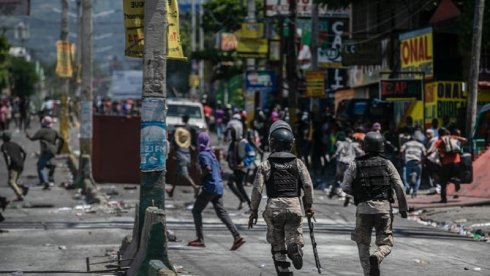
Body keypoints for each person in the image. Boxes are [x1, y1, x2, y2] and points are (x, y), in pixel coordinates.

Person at [248, 120, 314, 276]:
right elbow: (308, 186)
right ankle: (294, 246)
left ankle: (284, 270)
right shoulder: (298, 163)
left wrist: (253, 211)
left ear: (272, 143)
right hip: (294, 206)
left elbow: (257, 189)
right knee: (293, 233)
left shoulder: (266, 164)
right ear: (290, 144)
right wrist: (309, 206)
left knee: (277, 244)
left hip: (274, 207)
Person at [342, 131, 408, 276]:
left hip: (363, 209)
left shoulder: (355, 164)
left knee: (362, 243)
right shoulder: (387, 163)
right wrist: (403, 208)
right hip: (383, 208)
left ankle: (368, 271)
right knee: (386, 243)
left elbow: (345, 186)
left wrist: (360, 194)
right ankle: (377, 256)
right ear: (381, 147)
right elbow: (399, 186)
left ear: (365, 146)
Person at [187, 131, 246, 251]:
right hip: (218, 187)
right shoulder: (212, 154)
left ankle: (200, 239)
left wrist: (201, 178)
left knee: (196, 211)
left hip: (209, 187)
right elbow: (220, 171)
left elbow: (207, 169)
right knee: (222, 213)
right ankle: (237, 236)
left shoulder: (203, 154)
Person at [428, 128, 467, 203]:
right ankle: (456, 180)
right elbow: (465, 140)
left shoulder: (440, 140)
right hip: (457, 162)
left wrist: (423, 158)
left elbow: (432, 151)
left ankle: (444, 199)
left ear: (439, 134)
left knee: (443, 181)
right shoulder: (453, 137)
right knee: (453, 176)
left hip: (446, 163)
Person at [26, 116, 64, 190]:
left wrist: (28, 136)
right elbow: (62, 139)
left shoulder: (42, 131)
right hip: (53, 150)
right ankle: (49, 178)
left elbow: (33, 138)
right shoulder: (54, 131)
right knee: (48, 164)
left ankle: (45, 181)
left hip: (46, 150)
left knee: (40, 167)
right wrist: (59, 149)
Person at [226, 122, 255, 210]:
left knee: (231, 182)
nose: (232, 134)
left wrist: (244, 163)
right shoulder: (232, 143)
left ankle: (244, 200)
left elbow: (252, 154)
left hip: (242, 168)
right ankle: (248, 202)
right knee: (239, 186)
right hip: (236, 167)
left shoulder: (244, 142)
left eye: (233, 132)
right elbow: (230, 154)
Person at [168, 117, 199, 198]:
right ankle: (171, 191)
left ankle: (195, 187)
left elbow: (172, 146)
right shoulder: (187, 144)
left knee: (184, 174)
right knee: (176, 174)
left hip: (180, 157)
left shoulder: (177, 141)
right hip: (186, 156)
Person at [329, 131, 363, 199]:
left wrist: (335, 155)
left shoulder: (339, 143)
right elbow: (360, 152)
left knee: (338, 177)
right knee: (349, 179)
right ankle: (347, 194)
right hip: (349, 163)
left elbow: (339, 149)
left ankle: (333, 191)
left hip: (341, 162)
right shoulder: (353, 144)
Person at [1, 132, 28, 201]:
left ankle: (20, 195)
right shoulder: (15, 144)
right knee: (15, 180)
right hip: (20, 164)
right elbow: (25, 152)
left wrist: (8, 165)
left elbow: (7, 156)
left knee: (11, 182)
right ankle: (23, 188)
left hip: (13, 164)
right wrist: (23, 160)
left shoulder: (4, 145)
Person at [400, 134, 426, 198]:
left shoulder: (406, 144)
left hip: (409, 161)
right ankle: (414, 192)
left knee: (407, 177)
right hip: (418, 161)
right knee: (418, 177)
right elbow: (425, 153)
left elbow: (401, 150)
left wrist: (403, 157)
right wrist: (422, 161)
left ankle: (410, 183)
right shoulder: (421, 144)